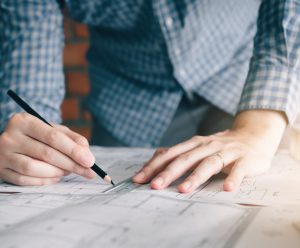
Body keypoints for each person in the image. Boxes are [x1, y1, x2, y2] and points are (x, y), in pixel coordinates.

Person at [0, 1, 298, 193]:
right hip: (127, 104)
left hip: (242, 83)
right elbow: (27, 38)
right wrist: (31, 136)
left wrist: (258, 130)